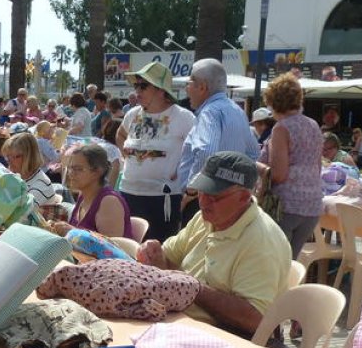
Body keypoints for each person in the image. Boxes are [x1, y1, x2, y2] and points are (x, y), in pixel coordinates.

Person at [138, 151, 292, 336]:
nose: (203, 202)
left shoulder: (261, 242)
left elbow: (255, 320)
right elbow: (167, 260)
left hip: (228, 340)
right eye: (201, 191)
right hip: (181, 323)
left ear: (243, 197)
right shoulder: (207, 217)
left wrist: (192, 288)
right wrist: (154, 255)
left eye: (215, 197)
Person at [117, 61, 196, 243]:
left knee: (157, 253)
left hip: (162, 199)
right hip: (128, 192)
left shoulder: (183, 117)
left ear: (161, 90)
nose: (137, 90)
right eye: (136, 85)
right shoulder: (132, 114)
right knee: (128, 251)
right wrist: (128, 158)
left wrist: (184, 172)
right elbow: (120, 134)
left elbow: (198, 150)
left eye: (143, 86)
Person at [177, 58, 260, 224]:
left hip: (204, 199)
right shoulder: (237, 110)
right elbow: (252, 152)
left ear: (202, 87)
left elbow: (206, 151)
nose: (187, 88)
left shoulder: (209, 112)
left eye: (190, 82)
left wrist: (192, 192)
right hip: (230, 198)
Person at [256, 75, 323, 258]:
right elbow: (317, 167)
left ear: (273, 102)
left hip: (286, 206)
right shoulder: (313, 125)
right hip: (312, 205)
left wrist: (257, 166)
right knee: (291, 263)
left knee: (276, 264)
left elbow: (279, 174)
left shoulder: (281, 128)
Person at [51, 143, 133, 239]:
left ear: (97, 172)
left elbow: (112, 249)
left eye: (78, 169)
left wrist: (73, 232)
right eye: (70, 168)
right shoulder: (84, 194)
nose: (70, 174)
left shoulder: (109, 202)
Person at [2, 132, 60, 205]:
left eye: (16, 156)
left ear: (30, 157)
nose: (9, 161)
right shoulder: (18, 176)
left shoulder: (40, 186)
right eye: (7, 156)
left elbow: (16, 214)